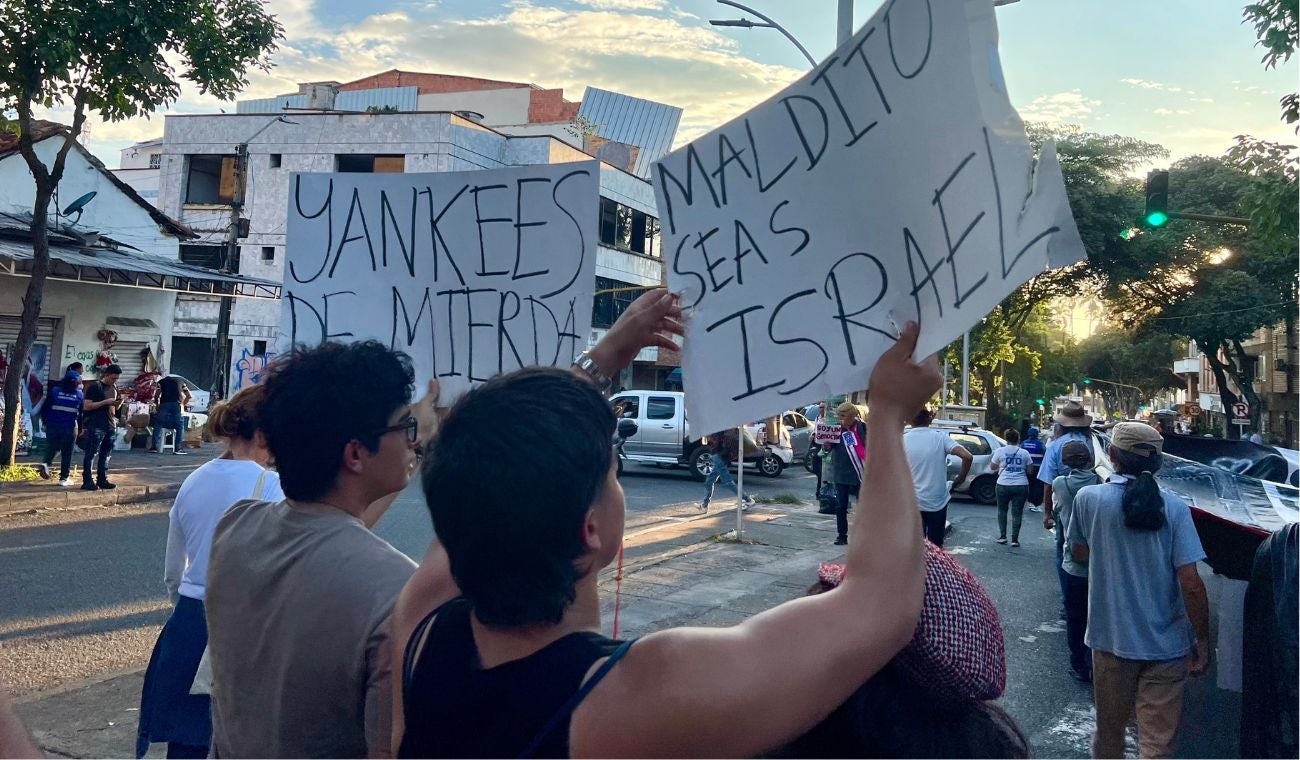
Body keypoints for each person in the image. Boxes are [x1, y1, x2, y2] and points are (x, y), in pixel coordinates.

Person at [392, 312, 936, 758]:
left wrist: (602, 359)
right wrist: (888, 415)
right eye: (613, 473)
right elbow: (880, 606)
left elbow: (491, 467)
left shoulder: (420, 626)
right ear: (590, 528)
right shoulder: (640, 697)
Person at [204, 341, 438, 758]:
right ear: (355, 453)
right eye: (405, 427)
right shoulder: (394, 592)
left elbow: (331, 531)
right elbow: (386, 749)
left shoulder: (236, 527)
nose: (413, 441)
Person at [135, 385, 283, 759]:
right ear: (264, 435)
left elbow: (173, 571)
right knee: (234, 741)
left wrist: (187, 607)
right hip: (242, 628)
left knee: (185, 741)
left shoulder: (194, 480)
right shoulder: (273, 488)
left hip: (187, 623)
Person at [1067, 422, 1210, 759]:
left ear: (1112, 455)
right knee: (1158, 744)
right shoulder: (1175, 508)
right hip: (1167, 648)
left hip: (1111, 641)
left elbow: (1078, 553)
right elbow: (1191, 583)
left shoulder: (1090, 500)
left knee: (1109, 736)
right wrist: (1203, 641)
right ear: (1158, 462)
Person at [1052, 440, 1100, 683]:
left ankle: (1079, 663)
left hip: (1073, 558)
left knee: (1075, 614)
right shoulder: (1100, 483)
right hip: (1099, 558)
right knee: (1097, 614)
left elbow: (1057, 510)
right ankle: (1096, 659)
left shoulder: (1060, 484)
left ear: (1065, 461)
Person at [1041, 402, 1095, 608]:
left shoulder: (1055, 446)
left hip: (1065, 507)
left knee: (1064, 552)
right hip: (1093, 507)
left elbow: (1048, 484)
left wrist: (1047, 513)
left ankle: (1068, 601)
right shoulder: (1092, 443)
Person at [904, 406, 971, 548]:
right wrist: (960, 479)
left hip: (911, 501)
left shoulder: (902, 441)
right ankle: (935, 562)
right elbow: (967, 456)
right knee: (936, 546)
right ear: (929, 419)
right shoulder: (940, 438)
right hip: (937, 500)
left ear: (909, 420)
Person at [829, 402, 867, 546]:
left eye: (843, 416)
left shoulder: (864, 428)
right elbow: (827, 448)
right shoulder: (835, 430)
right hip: (841, 473)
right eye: (839, 416)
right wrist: (825, 445)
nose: (841, 419)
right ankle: (841, 535)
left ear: (852, 416)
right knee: (841, 506)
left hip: (860, 474)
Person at [37, 368, 83, 486]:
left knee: (53, 446)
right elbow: (81, 414)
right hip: (69, 428)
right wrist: (81, 429)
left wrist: (45, 423)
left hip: (52, 426)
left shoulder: (55, 391)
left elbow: (45, 408)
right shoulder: (79, 395)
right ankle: (64, 478)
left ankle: (46, 463)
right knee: (67, 453)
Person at [80, 364, 122, 491]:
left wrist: (118, 403)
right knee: (91, 453)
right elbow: (86, 406)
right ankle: (87, 480)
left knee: (106, 454)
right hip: (96, 424)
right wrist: (105, 402)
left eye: (117, 378)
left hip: (110, 424)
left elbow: (114, 407)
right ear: (106, 375)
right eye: (113, 378)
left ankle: (102, 479)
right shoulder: (95, 387)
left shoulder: (114, 387)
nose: (115, 381)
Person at [989, 429, 1032, 547]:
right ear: (1018, 439)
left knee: (1002, 511)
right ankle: (1014, 540)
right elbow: (1030, 470)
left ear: (1006, 438)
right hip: (1021, 485)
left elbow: (992, 467)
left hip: (1002, 484)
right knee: (1017, 513)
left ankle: (1003, 537)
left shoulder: (1000, 451)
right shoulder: (1024, 453)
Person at [700, 427, 755, 512]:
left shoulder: (717, 428)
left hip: (719, 455)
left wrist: (709, 437)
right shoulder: (718, 427)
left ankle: (747, 499)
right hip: (720, 455)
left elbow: (717, 442)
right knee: (709, 480)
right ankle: (704, 505)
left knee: (727, 482)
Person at [149, 373, 192, 455]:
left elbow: (156, 396)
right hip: (176, 406)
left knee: (158, 425)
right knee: (180, 426)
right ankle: (178, 449)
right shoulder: (181, 382)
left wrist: (157, 405)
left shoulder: (161, 382)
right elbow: (189, 396)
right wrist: (183, 404)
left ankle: (153, 448)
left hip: (164, 405)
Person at [1022, 426, 1046, 512]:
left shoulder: (1024, 443)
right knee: (1037, 485)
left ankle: (1029, 502)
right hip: (1038, 468)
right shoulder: (1040, 444)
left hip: (1027, 468)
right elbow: (1045, 455)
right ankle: (1036, 503)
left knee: (1028, 484)